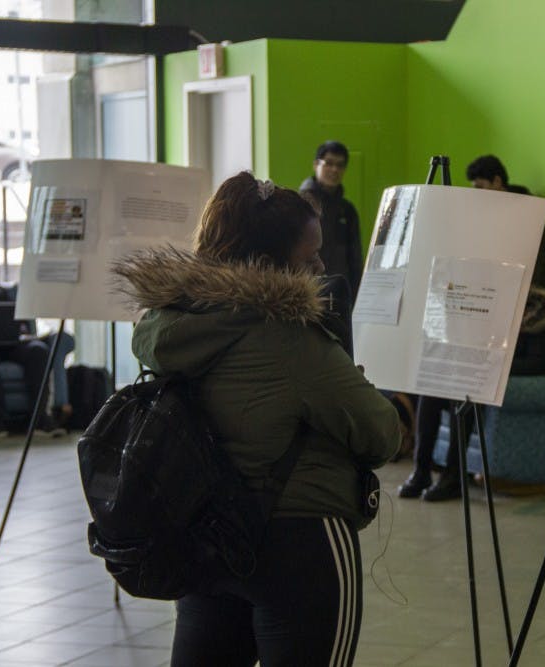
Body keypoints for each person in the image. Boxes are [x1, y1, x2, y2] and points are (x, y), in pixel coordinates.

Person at [112, 172, 401, 666]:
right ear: (269, 265)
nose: (321, 264)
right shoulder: (289, 339)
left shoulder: (167, 328)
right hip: (300, 542)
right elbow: (382, 434)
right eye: (309, 255)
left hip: (205, 534)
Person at [398, 285, 545, 501]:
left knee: (463, 393)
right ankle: (421, 471)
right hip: (484, 372)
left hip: (516, 380)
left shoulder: (540, 315)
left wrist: (490, 364)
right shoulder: (489, 309)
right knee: (432, 387)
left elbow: (538, 364)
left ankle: (453, 477)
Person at [0, 246, 65, 441]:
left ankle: (40, 420)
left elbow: (18, 322)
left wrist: (23, 331)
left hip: (7, 344)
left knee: (38, 350)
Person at [465, 154, 545, 287]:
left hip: (523, 289)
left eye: (480, 187)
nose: (477, 194)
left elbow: (537, 258)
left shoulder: (529, 210)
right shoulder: (488, 211)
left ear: (497, 181)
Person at [300, 140, 363, 304]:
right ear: (316, 165)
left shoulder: (347, 210)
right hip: (306, 290)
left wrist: (356, 297)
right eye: (329, 163)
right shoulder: (300, 204)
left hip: (340, 294)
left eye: (340, 165)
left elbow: (355, 259)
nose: (334, 169)